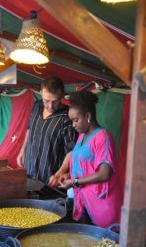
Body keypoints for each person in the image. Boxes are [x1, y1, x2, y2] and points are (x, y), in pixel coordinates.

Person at [49, 91, 122, 228]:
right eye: (72, 121)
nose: (73, 125)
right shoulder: (82, 136)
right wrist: (66, 175)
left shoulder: (103, 137)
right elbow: (83, 166)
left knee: (103, 245)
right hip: (84, 203)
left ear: (88, 116)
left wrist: (75, 182)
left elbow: (104, 173)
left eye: (76, 120)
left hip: (102, 206)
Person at [17, 77, 77, 184]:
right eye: (46, 101)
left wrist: (59, 173)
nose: (50, 106)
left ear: (62, 96)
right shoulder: (37, 105)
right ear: (41, 93)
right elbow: (30, 128)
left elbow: (72, 150)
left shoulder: (67, 117)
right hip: (29, 169)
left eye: (55, 101)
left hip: (50, 177)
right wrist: (23, 150)